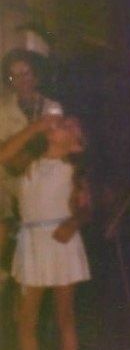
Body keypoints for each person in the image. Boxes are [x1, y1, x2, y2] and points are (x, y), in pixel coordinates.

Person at [0, 112, 89, 350]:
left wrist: (74, 222)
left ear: (76, 145)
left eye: (70, 125)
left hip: (60, 243)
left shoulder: (73, 171)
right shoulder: (28, 163)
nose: (62, 123)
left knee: (65, 317)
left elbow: (85, 209)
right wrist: (33, 128)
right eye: (61, 121)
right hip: (33, 243)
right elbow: (3, 155)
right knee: (27, 321)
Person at [0, 47, 62, 276]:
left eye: (25, 73)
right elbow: (5, 156)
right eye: (14, 76)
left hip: (46, 187)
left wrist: (22, 148)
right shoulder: (3, 110)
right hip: (9, 186)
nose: (21, 80)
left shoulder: (52, 107)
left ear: (36, 75)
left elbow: (56, 147)